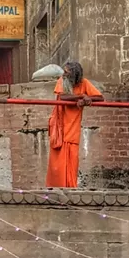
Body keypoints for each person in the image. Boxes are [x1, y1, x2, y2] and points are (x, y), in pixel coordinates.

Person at [45, 61, 104, 189]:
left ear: (75, 74)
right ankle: (55, 187)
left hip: (73, 126)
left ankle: (70, 188)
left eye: (67, 72)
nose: (64, 74)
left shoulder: (84, 83)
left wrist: (87, 99)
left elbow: (100, 98)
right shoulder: (62, 80)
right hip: (60, 124)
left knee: (72, 158)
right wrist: (81, 96)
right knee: (57, 161)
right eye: (64, 72)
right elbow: (63, 97)